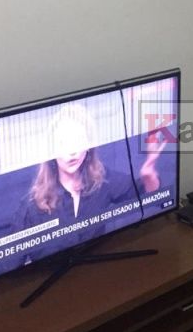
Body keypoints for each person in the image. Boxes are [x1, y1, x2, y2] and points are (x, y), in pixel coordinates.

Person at [13, 104, 165, 261]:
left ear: (89, 146)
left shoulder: (102, 180)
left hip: (97, 270)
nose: (72, 151)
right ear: (51, 150)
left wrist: (149, 175)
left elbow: (146, 194)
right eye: (63, 142)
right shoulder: (31, 205)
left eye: (79, 140)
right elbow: (10, 265)